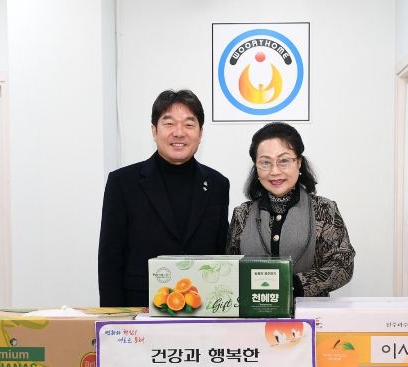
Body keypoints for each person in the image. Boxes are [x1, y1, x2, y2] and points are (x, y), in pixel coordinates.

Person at [98, 89, 230, 307]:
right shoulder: (122, 182)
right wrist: (115, 316)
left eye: (189, 124)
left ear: (200, 133)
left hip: (202, 305)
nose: (179, 132)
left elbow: (220, 254)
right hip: (140, 306)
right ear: (154, 130)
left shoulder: (217, 184)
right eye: (169, 123)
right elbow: (110, 257)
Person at [226, 122, 354, 297]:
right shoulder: (242, 214)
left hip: (309, 311)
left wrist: (294, 285)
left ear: (299, 163)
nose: (275, 171)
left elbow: (343, 265)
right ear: (256, 167)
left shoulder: (324, 209)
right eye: (265, 163)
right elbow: (230, 268)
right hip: (253, 310)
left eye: (284, 161)